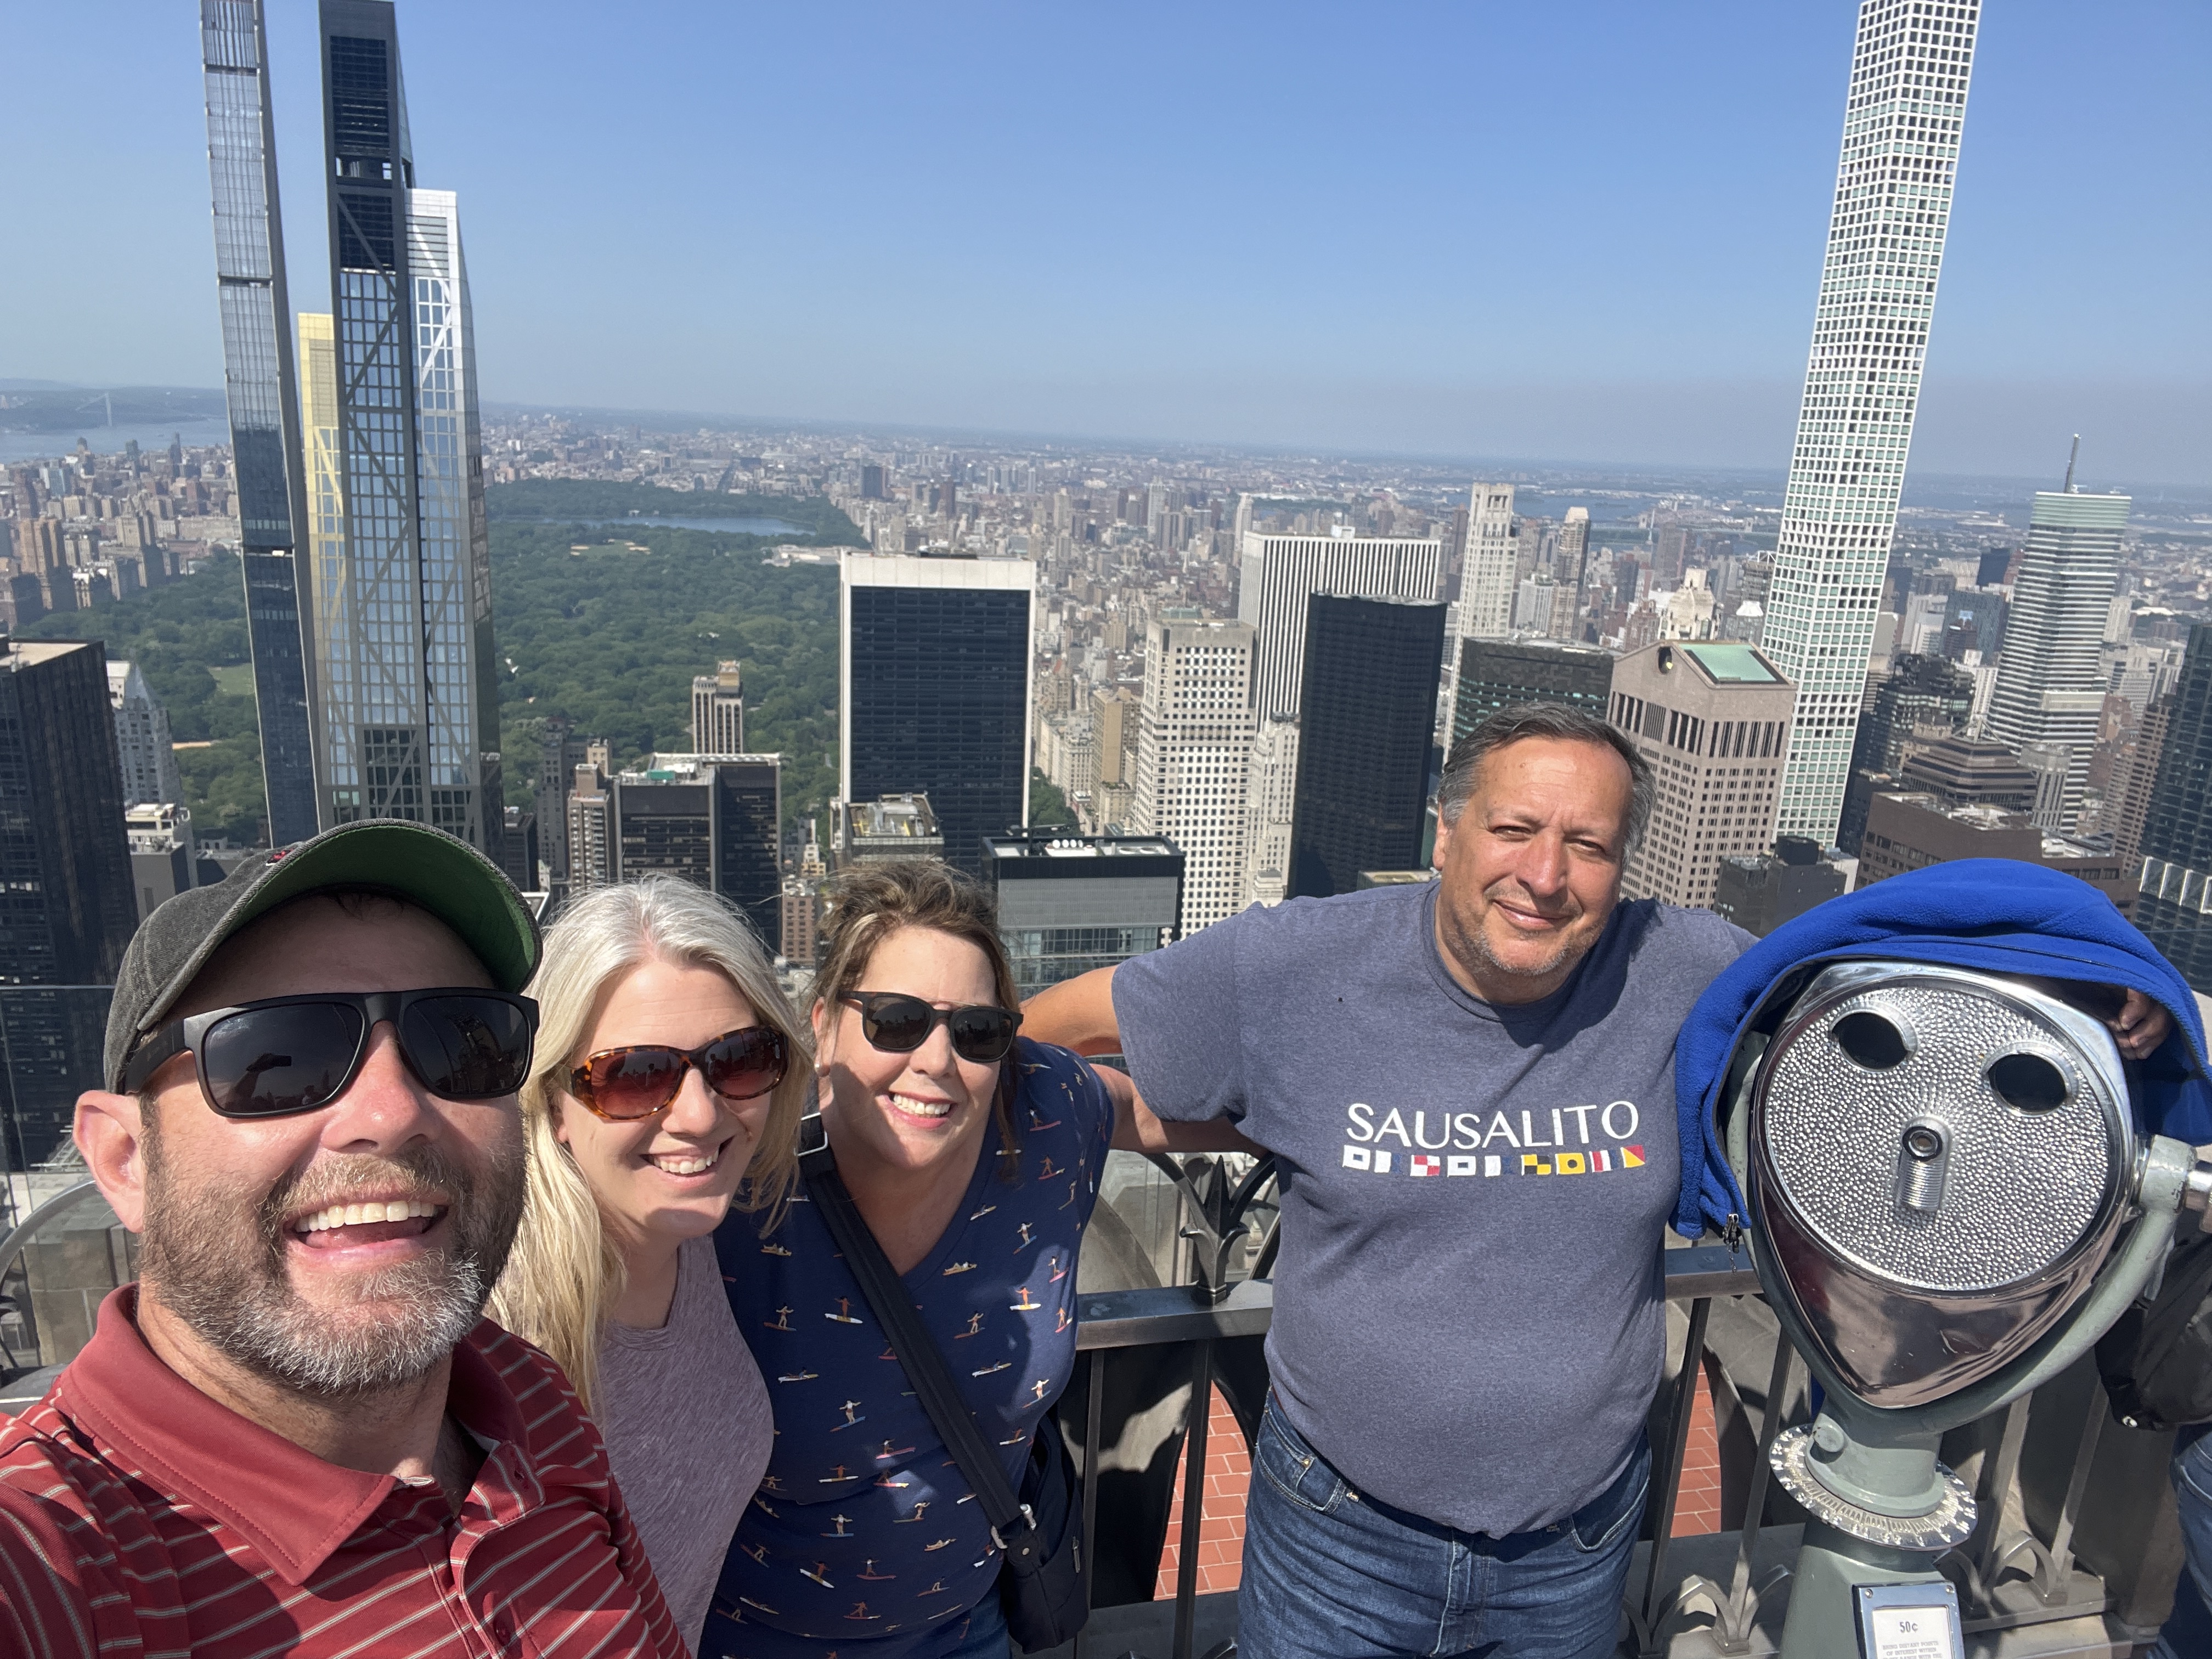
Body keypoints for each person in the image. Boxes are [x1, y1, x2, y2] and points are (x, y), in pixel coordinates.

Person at [1023, 702, 2174, 1659]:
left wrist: (2096, 982)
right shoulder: (1298, 961)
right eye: (1514, 829)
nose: (1545, 875)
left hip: (1570, 1549)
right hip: (1339, 1536)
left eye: (1589, 846)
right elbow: (1041, 1035)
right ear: (1447, 834)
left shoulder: (1686, 969)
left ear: (1625, 868)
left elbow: (1896, 973)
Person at [0, 821, 688, 1658]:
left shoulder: (522, 1395)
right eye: (280, 1057)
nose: (392, 1113)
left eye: (461, 1043)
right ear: (125, 1159)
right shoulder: (57, 1558)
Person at [706, 860, 1237, 1659]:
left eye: (977, 1032)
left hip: (968, 1630)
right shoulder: (741, 1180)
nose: (936, 1060)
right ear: (823, 1026)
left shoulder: (1046, 1113)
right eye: (895, 1021)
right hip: (753, 1638)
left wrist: (1340, 1130)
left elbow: (1147, 1110)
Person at [491, 877, 814, 1654]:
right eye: (635, 1076)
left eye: (739, 1060)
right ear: (554, 1104)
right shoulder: (494, 1338)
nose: (699, 1115)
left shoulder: (695, 1232)